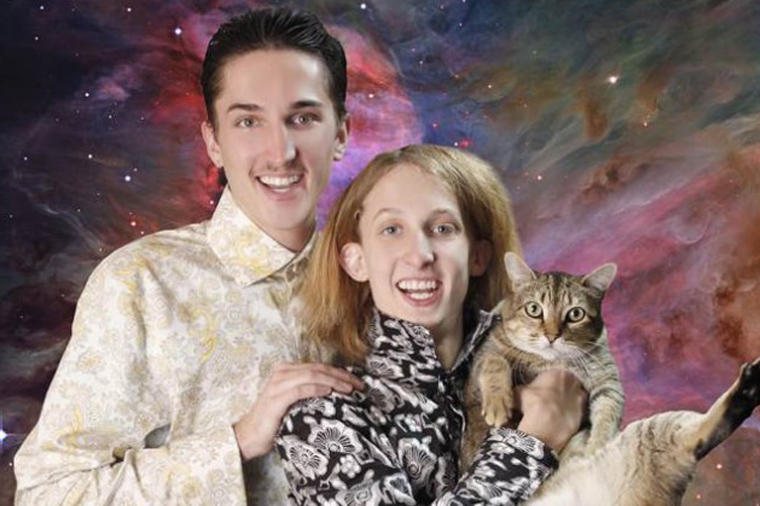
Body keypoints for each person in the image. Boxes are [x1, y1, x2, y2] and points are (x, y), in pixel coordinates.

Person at [14, 8, 362, 505]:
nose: (280, 151)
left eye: (303, 118)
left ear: (341, 134)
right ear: (214, 143)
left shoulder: (382, 283)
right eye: (248, 121)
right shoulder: (140, 284)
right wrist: (236, 444)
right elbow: (49, 494)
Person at [275, 145, 587, 504]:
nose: (420, 255)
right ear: (356, 261)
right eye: (392, 229)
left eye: (442, 228)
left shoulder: (554, 379)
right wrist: (531, 444)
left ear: (477, 256)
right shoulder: (321, 419)